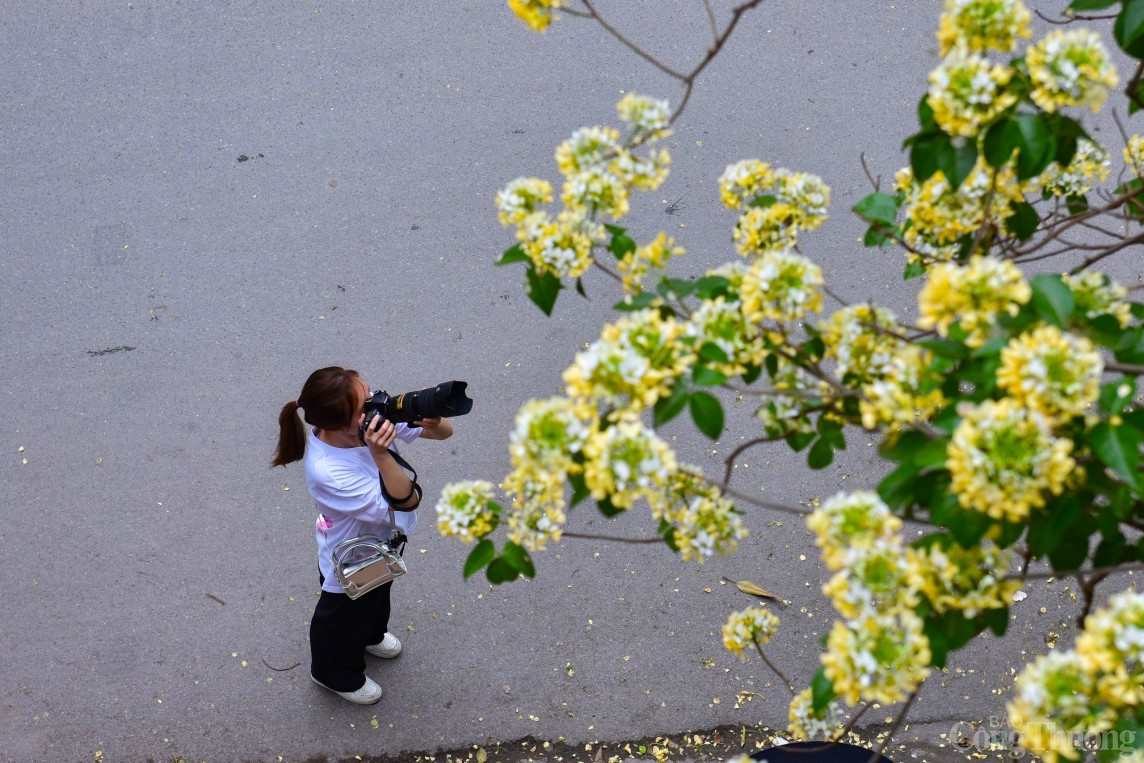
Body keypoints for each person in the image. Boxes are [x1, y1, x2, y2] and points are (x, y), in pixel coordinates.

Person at [272, 366, 453, 704]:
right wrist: (380, 453)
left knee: (377, 596)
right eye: (363, 406)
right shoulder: (328, 471)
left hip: (381, 544)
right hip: (351, 555)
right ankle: (332, 673)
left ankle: (371, 635)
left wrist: (432, 418)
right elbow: (406, 499)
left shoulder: (369, 421)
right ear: (342, 424)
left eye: (369, 394)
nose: (374, 406)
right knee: (341, 615)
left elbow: (443, 433)